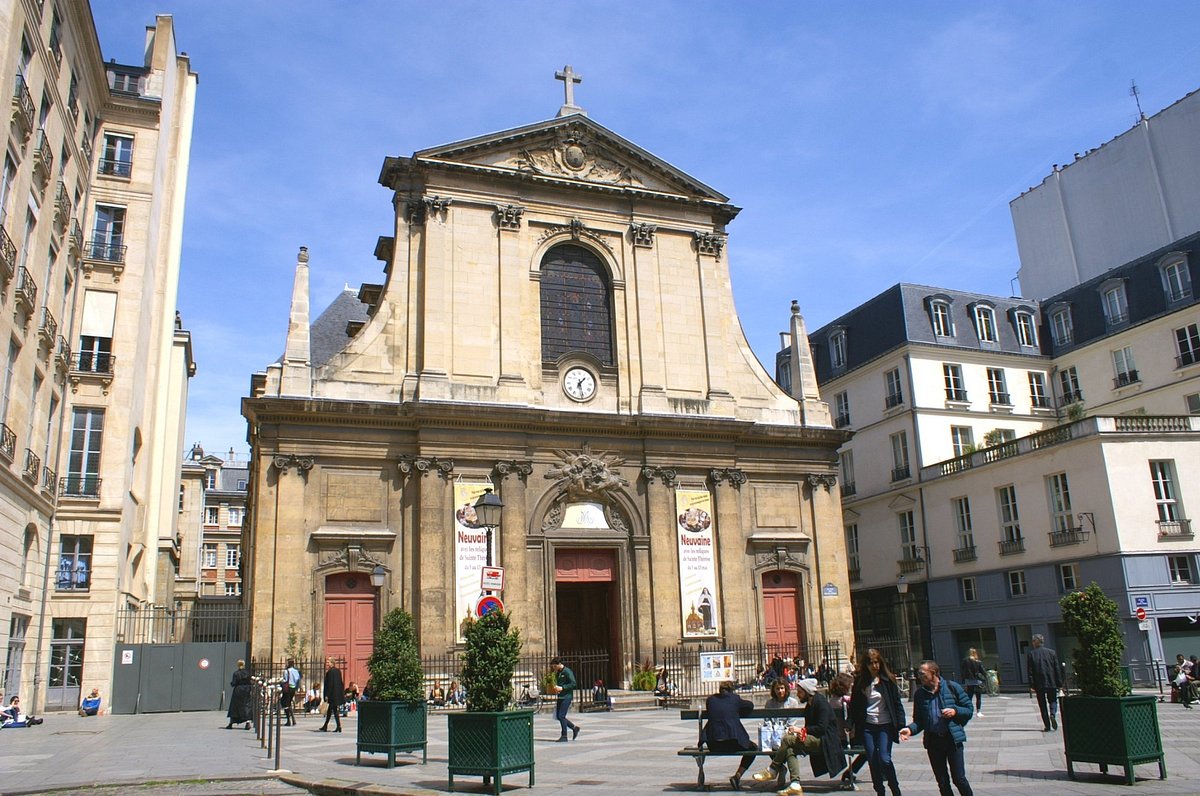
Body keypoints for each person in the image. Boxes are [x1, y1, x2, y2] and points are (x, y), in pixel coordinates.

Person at [753, 678, 845, 795]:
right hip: (815, 738)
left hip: (825, 741)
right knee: (790, 749)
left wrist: (801, 730)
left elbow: (822, 728)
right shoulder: (810, 704)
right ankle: (795, 784)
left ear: (807, 692)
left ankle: (773, 769)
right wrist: (800, 733)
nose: (798, 694)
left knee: (787, 739)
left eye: (800, 692)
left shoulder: (821, 703)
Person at [898, 660, 974, 796]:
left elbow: (968, 710)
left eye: (922, 674)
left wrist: (955, 711)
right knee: (943, 781)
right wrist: (909, 730)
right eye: (918, 674)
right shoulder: (920, 694)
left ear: (933, 673)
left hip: (952, 740)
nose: (919, 677)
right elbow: (919, 721)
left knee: (959, 779)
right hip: (933, 742)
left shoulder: (952, 687)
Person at [850, 648, 905, 796]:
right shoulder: (861, 683)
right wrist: (851, 725)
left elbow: (897, 703)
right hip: (868, 726)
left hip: (885, 726)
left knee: (885, 759)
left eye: (876, 662)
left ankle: (895, 789)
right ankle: (880, 791)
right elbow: (854, 706)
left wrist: (901, 725)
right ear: (865, 665)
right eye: (871, 663)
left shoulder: (888, 680)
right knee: (873, 760)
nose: (874, 666)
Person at [703, 680, 758, 791]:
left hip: (713, 743)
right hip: (733, 742)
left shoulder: (710, 700)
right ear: (731, 690)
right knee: (753, 748)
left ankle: (736, 777)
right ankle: (737, 776)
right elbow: (750, 705)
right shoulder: (735, 699)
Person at [1026, 634, 1063, 731]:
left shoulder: (1031, 654)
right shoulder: (1052, 653)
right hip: (1051, 681)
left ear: (1035, 642)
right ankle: (1052, 713)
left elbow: (1030, 671)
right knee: (1053, 700)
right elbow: (1056, 669)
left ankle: (1047, 725)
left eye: (1033, 641)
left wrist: (1031, 685)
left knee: (1042, 704)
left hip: (1039, 683)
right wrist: (1059, 683)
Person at [550, 656, 580, 742]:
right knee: (559, 716)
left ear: (559, 664)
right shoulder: (558, 672)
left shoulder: (567, 672)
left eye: (555, 666)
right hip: (561, 696)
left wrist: (562, 688)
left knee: (561, 716)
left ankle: (564, 736)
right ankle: (574, 728)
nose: (554, 668)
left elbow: (573, 683)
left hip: (566, 697)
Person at [225, 660, 254, 730]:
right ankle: (247, 722)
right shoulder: (247, 673)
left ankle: (231, 723)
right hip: (247, 689)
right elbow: (250, 681)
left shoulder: (236, 673)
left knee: (235, 706)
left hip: (238, 690)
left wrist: (232, 683)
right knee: (246, 705)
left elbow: (234, 683)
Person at [959, 649, 986, 717]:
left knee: (969, 696)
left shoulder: (965, 661)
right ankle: (978, 712)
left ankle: (969, 710)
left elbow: (962, 670)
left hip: (969, 680)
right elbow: (982, 671)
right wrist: (985, 678)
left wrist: (963, 679)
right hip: (977, 681)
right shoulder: (978, 661)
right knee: (978, 697)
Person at [319, 658, 344, 732]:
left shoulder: (330, 672)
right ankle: (326, 725)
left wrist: (327, 695)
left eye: (328, 662)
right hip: (337, 694)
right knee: (330, 710)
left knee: (335, 711)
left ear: (332, 663)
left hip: (332, 695)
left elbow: (329, 685)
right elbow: (340, 683)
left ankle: (338, 726)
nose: (327, 663)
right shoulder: (338, 671)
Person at [280, 658, 300, 726]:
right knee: (289, 703)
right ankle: (293, 720)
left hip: (287, 688)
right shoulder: (296, 671)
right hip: (293, 688)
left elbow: (285, 680)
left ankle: (289, 720)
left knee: (285, 703)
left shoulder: (286, 671)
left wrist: (280, 681)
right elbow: (298, 679)